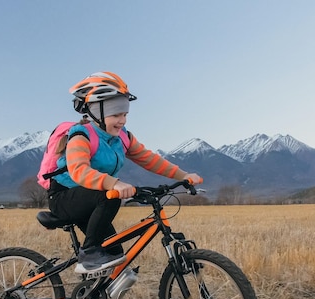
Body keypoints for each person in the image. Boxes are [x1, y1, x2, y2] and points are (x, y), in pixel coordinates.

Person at [48, 71, 202, 275]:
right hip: (65, 197)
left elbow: (150, 160)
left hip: (92, 197)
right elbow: (79, 171)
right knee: (109, 198)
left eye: (125, 114)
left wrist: (183, 175)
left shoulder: (122, 137)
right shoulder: (80, 135)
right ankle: (88, 255)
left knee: (114, 250)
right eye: (116, 114)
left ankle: (92, 297)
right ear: (96, 112)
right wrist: (114, 183)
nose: (122, 121)